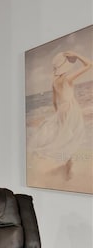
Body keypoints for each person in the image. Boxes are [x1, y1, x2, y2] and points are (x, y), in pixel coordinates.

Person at [29, 51, 91, 180]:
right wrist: (77, 54)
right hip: (71, 108)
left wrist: (58, 113)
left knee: (66, 136)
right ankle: (69, 167)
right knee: (73, 136)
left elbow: (53, 101)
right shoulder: (67, 78)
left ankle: (68, 164)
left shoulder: (54, 81)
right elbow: (89, 64)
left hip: (62, 110)